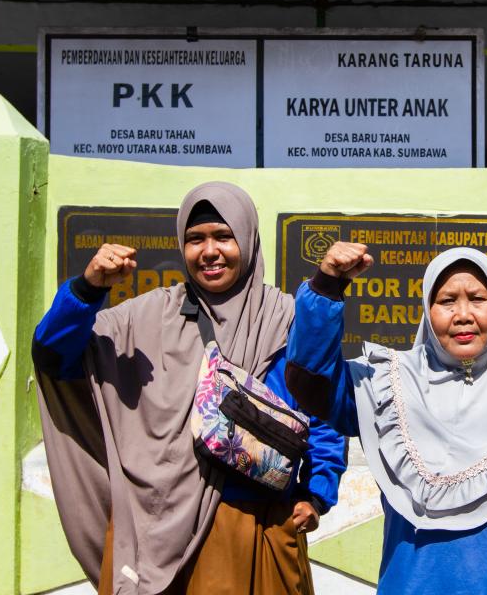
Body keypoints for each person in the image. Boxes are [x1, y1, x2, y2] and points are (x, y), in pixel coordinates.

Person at [33, 182, 346, 595]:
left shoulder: (284, 319)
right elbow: (54, 356)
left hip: (253, 527)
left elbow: (321, 409)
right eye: (195, 239)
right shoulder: (147, 317)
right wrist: (88, 289)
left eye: (223, 236)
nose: (209, 251)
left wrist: (317, 492)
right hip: (155, 531)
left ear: (248, 239)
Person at [284, 244, 487, 594]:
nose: (463, 314)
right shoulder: (389, 390)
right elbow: (310, 382)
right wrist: (327, 286)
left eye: (478, 298)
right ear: (427, 309)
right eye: (447, 301)